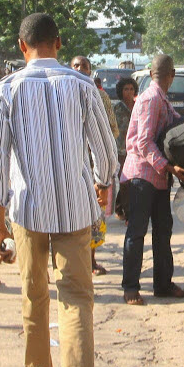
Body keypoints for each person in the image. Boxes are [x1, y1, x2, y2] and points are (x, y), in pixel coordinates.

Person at [0, 13, 118, 367]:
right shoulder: (83, 86)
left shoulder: (5, 90)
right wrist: (102, 183)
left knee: (33, 291)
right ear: (58, 44)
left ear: (22, 46)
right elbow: (106, 151)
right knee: (77, 298)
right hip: (77, 211)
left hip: (27, 210)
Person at [121, 54, 184, 305]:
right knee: (137, 232)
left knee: (163, 232)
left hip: (159, 176)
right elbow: (143, 142)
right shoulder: (152, 99)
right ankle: (130, 287)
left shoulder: (161, 99)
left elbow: (176, 124)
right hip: (144, 174)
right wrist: (170, 167)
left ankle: (163, 284)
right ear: (171, 75)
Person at [71, 56, 119, 276]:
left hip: (95, 167)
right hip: (72, 166)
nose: (81, 69)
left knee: (93, 216)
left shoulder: (100, 96)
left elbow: (112, 130)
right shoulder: (64, 94)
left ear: (91, 72)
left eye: (85, 67)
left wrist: (97, 139)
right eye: (76, 66)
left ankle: (90, 261)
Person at [113, 76, 138, 220]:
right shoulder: (116, 108)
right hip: (120, 150)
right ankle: (129, 215)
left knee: (130, 182)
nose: (129, 92)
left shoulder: (138, 107)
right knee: (125, 181)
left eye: (131, 89)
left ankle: (119, 207)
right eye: (126, 89)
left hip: (134, 150)